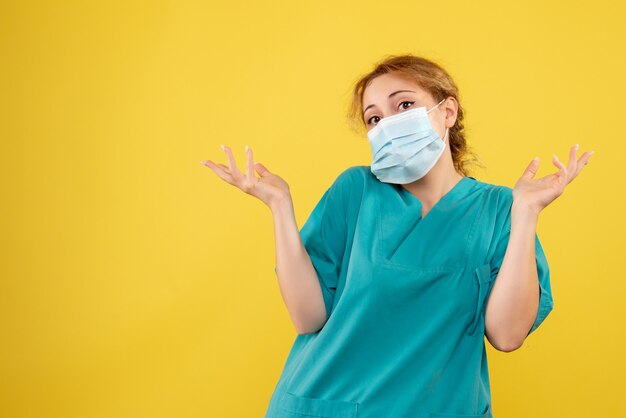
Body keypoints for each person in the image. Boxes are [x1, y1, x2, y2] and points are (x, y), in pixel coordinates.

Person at [201, 54, 594, 418]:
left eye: (403, 105)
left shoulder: (498, 210)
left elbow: (507, 335)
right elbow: (307, 317)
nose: (388, 123)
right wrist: (279, 206)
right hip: (328, 403)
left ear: (448, 112)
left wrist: (526, 213)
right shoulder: (356, 190)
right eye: (374, 118)